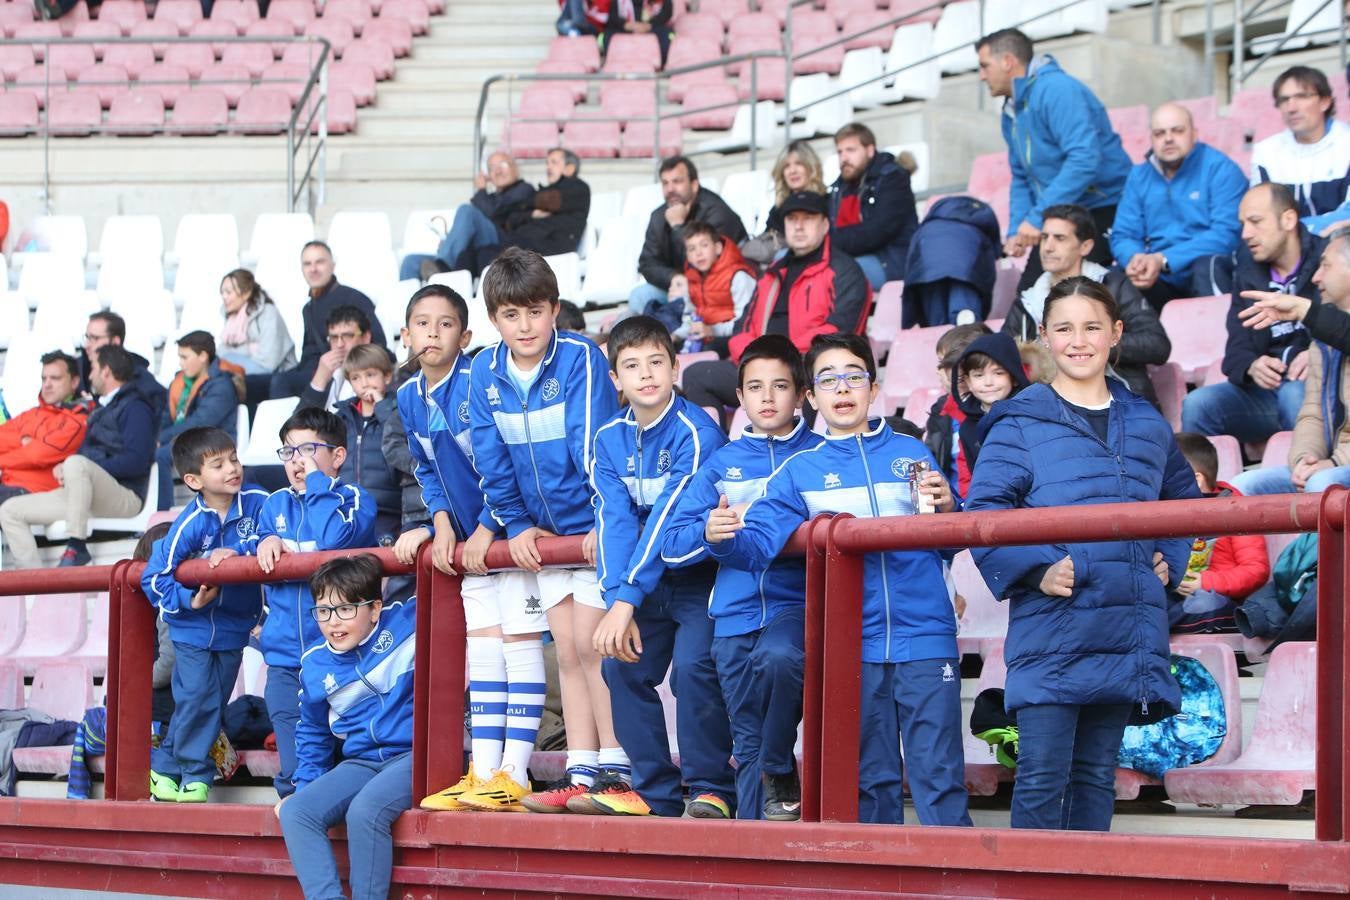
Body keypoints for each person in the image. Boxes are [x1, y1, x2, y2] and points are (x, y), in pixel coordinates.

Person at [703, 331, 970, 826]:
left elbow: (951, 543)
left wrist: (952, 509)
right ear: (813, 395)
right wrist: (721, 536)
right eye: (828, 379)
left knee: (940, 777)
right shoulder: (799, 470)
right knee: (872, 783)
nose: (842, 388)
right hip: (852, 645)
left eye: (853, 376)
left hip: (927, 636)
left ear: (873, 385)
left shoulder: (912, 452)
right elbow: (758, 544)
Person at [965, 276, 1199, 832]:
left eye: (1092, 327)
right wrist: (1037, 571)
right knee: (1042, 775)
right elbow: (985, 513)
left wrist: (1168, 558)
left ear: (1116, 334)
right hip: (1053, 628)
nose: (1079, 340)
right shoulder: (1018, 421)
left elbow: (1186, 500)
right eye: (1064, 328)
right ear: (1043, 336)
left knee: (1097, 775)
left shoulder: (1145, 420)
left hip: (1126, 624)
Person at [459, 249, 627, 814]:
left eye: (535, 312)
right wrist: (518, 523)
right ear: (494, 320)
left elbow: (595, 448)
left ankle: (618, 773)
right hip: (545, 541)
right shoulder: (483, 371)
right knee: (569, 656)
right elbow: (490, 456)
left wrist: (601, 526)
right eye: (511, 316)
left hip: (598, 532)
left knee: (594, 648)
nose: (524, 327)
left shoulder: (580, 357)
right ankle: (582, 772)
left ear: (554, 310)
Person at [660, 334, 819, 820]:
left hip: (798, 605)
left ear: (800, 393)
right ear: (741, 397)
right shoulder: (721, 464)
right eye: (754, 387)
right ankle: (750, 847)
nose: (767, 398)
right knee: (745, 739)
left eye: (780, 386)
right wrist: (709, 530)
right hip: (731, 614)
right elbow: (672, 541)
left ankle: (779, 762)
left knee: (781, 657)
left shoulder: (818, 455)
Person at [586, 315, 735, 818]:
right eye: (632, 365)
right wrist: (617, 601)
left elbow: (668, 523)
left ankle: (712, 788)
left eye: (656, 362)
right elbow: (614, 522)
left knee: (695, 669)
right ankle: (655, 794)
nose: (646, 374)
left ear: (675, 367)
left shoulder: (698, 433)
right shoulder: (607, 439)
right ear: (616, 379)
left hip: (697, 578)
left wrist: (625, 600)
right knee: (619, 665)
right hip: (643, 585)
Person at [253, 406, 377, 797]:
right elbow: (248, 546)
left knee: (344, 764)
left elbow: (334, 541)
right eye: (288, 452)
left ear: (338, 456)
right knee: (295, 772)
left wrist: (321, 486)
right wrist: (264, 540)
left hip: (345, 659)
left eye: (307, 450)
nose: (296, 461)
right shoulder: (273, 505)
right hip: (286, 662)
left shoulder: (355, 497)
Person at [277, 554, 415, 900]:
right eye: (323, 610)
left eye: (345, 610)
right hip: (361, 762)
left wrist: (426, 534)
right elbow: (311, 732)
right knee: (296, 810)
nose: (333, 623)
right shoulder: (314, 663)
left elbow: (445, 578)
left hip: (413, 756)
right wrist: (305, 787)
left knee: (364, 811)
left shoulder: (407, 622)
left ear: (375, 608)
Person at [142, 426, 268, 803]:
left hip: (234, 629)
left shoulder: (260, 501)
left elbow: (276, 537)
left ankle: (164, 766)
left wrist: (243, 552)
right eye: (218, 464)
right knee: (195, 697)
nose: (232, 468)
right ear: (194, 480)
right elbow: (155, 577)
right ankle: (194, 775)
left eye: (233, 459)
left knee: (211, 702)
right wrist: (190, 601)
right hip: (191, 630)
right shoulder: (188, 523)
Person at [680, 191, 870, 423]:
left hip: (808, 369)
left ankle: (806, 453)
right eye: (792, 220)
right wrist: (757, 359)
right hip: (763, 367)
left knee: (821, 386)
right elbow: (742, 330)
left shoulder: (844, 270)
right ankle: (718, 452)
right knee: (697, 375)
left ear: (824, 224)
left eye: (807, 218)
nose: (798, 227)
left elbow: (842, 334)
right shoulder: (771, 274)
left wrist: (787, 358)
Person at [975, 28, 1132, 290]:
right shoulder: (1011, 111)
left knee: (1070, 293)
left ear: (1008, 62)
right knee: (1029, 295)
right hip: (1062, 214)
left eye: (984, 66)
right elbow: (1022, 175)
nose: (981, 76)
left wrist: (1036, 218)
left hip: (1105, 207)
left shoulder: (1057, 90)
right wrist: (1016, 229)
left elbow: (1084, 159)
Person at [1181, 183, 1324, 443]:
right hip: (1268, 394)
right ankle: (1204, 483)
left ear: (1289, 219)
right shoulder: (1248, 272)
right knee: (1198, 403)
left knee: (1295, 395)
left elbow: (1343, 324)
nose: (1246, 233)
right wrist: (1252, 366)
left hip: (1322, 393)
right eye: (1243, 224)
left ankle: (1304, 479)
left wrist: (1318, 352)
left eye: (1256, 221)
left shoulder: (1328, 260)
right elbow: (1236, 348)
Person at [0, 344, 157, 569]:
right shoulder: (101, 408)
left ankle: (77, 545)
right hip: (84, 494)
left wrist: (83, 466)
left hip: (124, 496)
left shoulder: (136, 408)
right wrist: (68, 467)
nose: (88, 375)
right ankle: (34, 586)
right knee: (9, 510)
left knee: (76, 463)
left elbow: (136, 462)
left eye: (92, 368)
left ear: (106, 371)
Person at [1003, 204, 1172, 404]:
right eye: (1044, 237)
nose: (1047, 247)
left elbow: (1157, 345)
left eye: (1060, 238)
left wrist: (1091, 346)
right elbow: (1001, 357)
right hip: (1050, 409)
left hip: (1120, 402)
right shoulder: (1028, 300)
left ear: (1086, 247)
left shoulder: (1113, 285)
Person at [1230, 226, 1350, 496]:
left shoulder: (1328, 329)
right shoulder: (1323, 341)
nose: (1317, 278)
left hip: (1339, 466)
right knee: (1242, 487)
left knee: (1322, 485)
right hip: (1328, 465)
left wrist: (1333, 463)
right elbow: (1312, 414)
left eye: (1326, 266)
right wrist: (1303, 460)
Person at [1110, 102, 1248, 309]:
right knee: (1114, 280)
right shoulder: (1140, 176)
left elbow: (1227, 234)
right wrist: (1136, 259)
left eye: (1177, 131)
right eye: (1159, 133)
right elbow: (1123, 234)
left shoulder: (1221, 170)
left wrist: (1164, 260)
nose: (1168, 138)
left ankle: (1218, 339)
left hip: (1205, 268)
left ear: (1194, 133)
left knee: (1207, 268)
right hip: (1157, 274)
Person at [1170, 433, 1270, 634]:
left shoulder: (1237, 510)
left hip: (1218, 597)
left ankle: (1151, 628)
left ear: (1196, 480)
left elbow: (1255, 570)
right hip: (1174, 596)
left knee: (1205, 604)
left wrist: (1205, 582)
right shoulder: (1161, 509)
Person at [629, 156, 748, 314]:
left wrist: (678, 227)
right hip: (680, 287)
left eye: (677, 181)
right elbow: (647, 263)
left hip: (716, 290)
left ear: (694, 185)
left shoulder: (717, 211)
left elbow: (707, 262)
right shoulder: (659, 216)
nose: (670, 189)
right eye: (665, 183)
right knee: (639, 296)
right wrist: (673, 277)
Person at [270, 241, 385, 401]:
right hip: (316, 369)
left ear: (333, 265)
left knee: (280, 382)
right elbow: (308, 354)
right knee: (260, 384)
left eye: (320, 262)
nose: (313, 269)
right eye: (307, 264)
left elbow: (379, 344)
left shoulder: (355, 298)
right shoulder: (308, 308)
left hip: (346, 369)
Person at [398, 153, 537, 281]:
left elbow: (493, 211)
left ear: (515, 169)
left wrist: (481, 189)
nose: (498, 171)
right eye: (492, 168)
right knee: (410, 262)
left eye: (503, 165)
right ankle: (406, 305)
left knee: (467, 211)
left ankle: (443, 266)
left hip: (501, 245)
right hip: (470, 254)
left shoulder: (524, 189)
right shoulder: (489, 198)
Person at [155, 331, 243, 511]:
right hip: (188, 439)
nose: (181, 362)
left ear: (203, 356)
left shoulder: (221, 385)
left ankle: (162, 513)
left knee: (162, 454)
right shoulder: (179, 382)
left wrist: (161, 439)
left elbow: (200, 421)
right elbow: (166, 416)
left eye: (185, 357)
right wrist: (157, 437)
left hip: (214, 441)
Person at [827, 122, 919, 290]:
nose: (844, 158)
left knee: (833, 277)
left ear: (870, 150)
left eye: (851, 150)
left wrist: (827, 243)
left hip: (889, 261)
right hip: (850, 257)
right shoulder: (837, 187)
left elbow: (877, 232)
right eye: (840, 152)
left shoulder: (893, 178)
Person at [1251, 65, 1350, 219]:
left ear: (1325, 102)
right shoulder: (1266, 152)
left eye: (1301, 97)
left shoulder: (1346, 143)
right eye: (1284, 100)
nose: (1291, 108)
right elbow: (1262, 216)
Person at [0, 350, 93, 507]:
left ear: (74, 382)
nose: (47, 384)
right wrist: (22, 441)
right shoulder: (31, 414)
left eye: (55, 378)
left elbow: (36, 455)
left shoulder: (78, 421)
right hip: (7, 486)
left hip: (36, 492)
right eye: (44, 378)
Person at [334, 344, 402, 546]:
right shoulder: (343, 416)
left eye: (370, 375)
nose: (364, 383)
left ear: (387, 376)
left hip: (387, 509)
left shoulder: (397, 408)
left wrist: (381, 407)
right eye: (356, 378)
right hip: (348, 508)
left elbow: (398, 435)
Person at [902, 195, 1003, 327]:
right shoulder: (983, 227)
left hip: (927, 274)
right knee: (965, 326)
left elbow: (912, 266)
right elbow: (991, 264)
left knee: (936, 327)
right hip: (966, 275)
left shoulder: (926, 227)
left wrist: (909, 319)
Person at [951, 332, 1031, 497]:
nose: (988, 382)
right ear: (968, 382)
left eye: (998, 373)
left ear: (1014, 377)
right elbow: (976, 478)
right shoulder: (967, 428)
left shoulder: (1031, 415)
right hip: (993, 507)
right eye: (979, 375)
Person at [665, 221, 756, 357]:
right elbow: (690, 318)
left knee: (708, 349)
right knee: (668, 348)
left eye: (704, 245)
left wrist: (712, 330)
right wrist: (675, 336)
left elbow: (747, 322)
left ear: (718, 248)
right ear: (687, 256)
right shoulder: (691, 279)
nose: (698, 253)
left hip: (733, 335)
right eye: (691, 249)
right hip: (705, 334)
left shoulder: (738, 277)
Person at [924, 323, 992, 498]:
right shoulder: (940, 411)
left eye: (945, 363)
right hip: (954, 507)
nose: (939, 371)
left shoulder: (990, 407)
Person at [501, 147, 592, 257]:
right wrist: (532, 214)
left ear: (570, 168)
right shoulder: (545, 191)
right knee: (487, 248)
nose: (548, 167)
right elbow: (512, 219)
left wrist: (526, 203)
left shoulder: (579, 188)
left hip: (553, 247)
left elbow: (552, 200)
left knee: (503, 246)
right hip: (526, 243)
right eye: (547, 163)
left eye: (554, 162)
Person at [77, 311, 168, 412]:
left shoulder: (139, 378)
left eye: (95, 338)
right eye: (87, 338)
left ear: (115, 341)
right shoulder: (76, 369)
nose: (87, 345)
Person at [217, 268, 298, 376]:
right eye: (222, 292)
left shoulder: (268, 312)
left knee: (223, 368)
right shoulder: (232, 318)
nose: (224, 297)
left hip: (278, 374)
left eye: (228, 292)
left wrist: (234, 350)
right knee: (218, 366)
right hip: (251, 369)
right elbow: (221, 352)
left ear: (246, 293)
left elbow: (268, 360)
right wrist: (250, 348)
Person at [299, 305, 375, 412]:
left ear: (366, 337)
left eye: (348, 336)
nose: (339, 344)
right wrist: (318, 381)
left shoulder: (377, 373)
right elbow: (299, 424)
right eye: (334, 338)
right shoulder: (326, 371)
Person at [761, 141, 828, 239]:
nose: (792, 171)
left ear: (811, 167)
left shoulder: (828, 203)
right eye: (786, 166)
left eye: (799, 164)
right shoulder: (777, 211)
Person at [602, 0, 672, 67]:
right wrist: (624, 24)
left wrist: (650, 25)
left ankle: (662, 67)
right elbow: (609, 14)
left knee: (663, 36)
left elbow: (667, 11)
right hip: (622, 26)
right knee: (609, 35)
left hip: (653, 25)